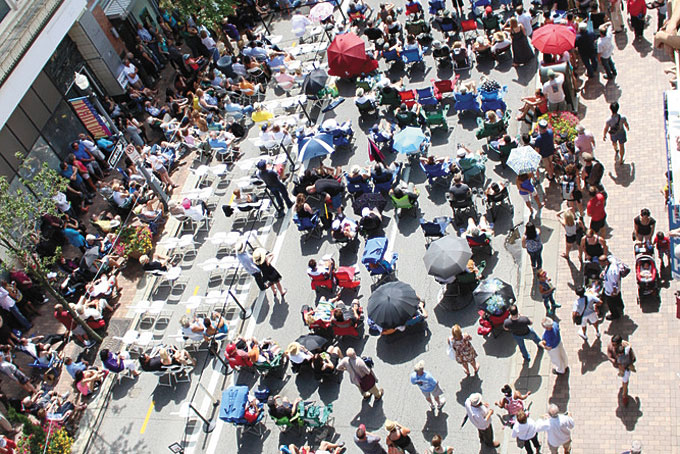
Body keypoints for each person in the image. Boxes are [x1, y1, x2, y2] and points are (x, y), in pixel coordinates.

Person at [607, 334, 636, 406]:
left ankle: (624, 395)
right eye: (612, 344)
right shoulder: (610, 347)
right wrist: (616, 362)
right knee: (623, 376)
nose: (613, 346)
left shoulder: (626, 347)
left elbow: (632, 355)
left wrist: (630, 363)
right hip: (618, 366)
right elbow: (609, 356)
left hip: (627, 367)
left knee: (625, 380)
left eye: (615, 344)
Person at [600, 254, 625, 320]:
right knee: (618, 298)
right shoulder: (610, 262)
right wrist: (603, 273)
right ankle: (620, 306)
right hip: (614, 289)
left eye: (601, 263)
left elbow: (614, 283)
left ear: (606, 262)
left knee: (611, 303)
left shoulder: (613, 271)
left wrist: (614, 292)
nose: (601, 265)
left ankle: (615, 314)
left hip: (611, 291)